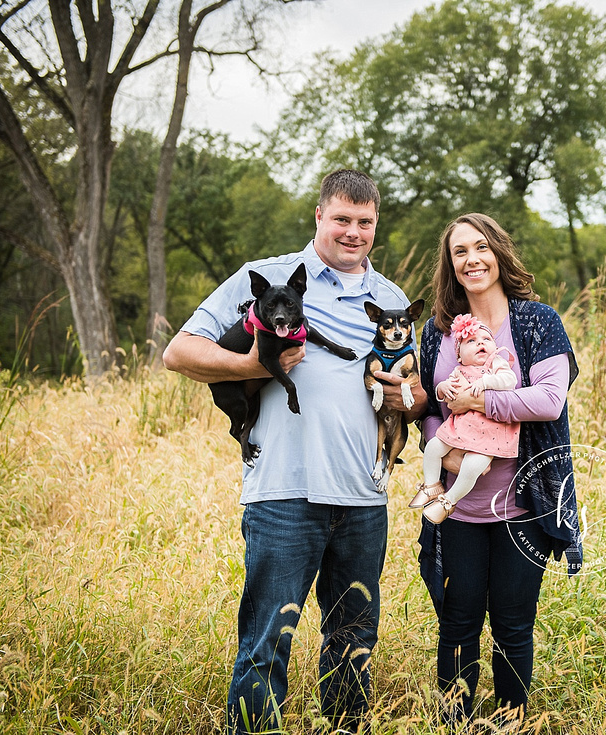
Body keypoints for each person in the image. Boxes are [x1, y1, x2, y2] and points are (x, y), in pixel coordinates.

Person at [163, 169, 427, 735]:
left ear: (375, 226)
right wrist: (253, 365)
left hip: (362, 497)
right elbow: (178, 352)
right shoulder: (268, 280)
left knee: (353, 641)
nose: (353, 232)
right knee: (266, 641)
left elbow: (409, 386)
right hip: (284, 493)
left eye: (365, 223)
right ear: (319, 217)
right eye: (342, 220)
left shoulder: (391, 299)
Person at [415, 213, 582, 728]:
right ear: (450, 264)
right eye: (459, 252)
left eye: (481, 247)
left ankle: (512, 724)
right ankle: (455, 725)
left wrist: (476, 401)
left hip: (521, 506)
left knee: (513, 626)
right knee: (457, 626)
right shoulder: (435, 334)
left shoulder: (538, 322)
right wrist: (438, 449)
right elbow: (426, 407)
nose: (472, 260)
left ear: (499, 254)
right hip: (456, 509)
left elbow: (550, 400)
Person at [412, 313, 520, 524]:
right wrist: (442, 388)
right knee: (433, 446)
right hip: (459, 429)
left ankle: (448, 501)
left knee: (473, 465)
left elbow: (510, 381)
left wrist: (488, 382)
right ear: (460, 355)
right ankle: (431, 485)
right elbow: (443, 395)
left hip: (489, 434)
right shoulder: (459, 370)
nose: (481, 343)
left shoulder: (496, 363)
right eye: (472, 341)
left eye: (486, 340)